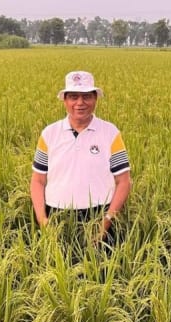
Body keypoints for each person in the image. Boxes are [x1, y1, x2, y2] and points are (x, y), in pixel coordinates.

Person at [30, 70, 131, 245]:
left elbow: (124, 181)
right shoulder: (49, 134)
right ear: (65, 100)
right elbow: (38, 180)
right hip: (56, 217)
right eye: (74, 97)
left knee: (100, 269)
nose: (80, 103)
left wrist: (106, 221)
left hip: (98, 216)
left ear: (95, 99)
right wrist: (43, 221)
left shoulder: (110, 133)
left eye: (86, 97)